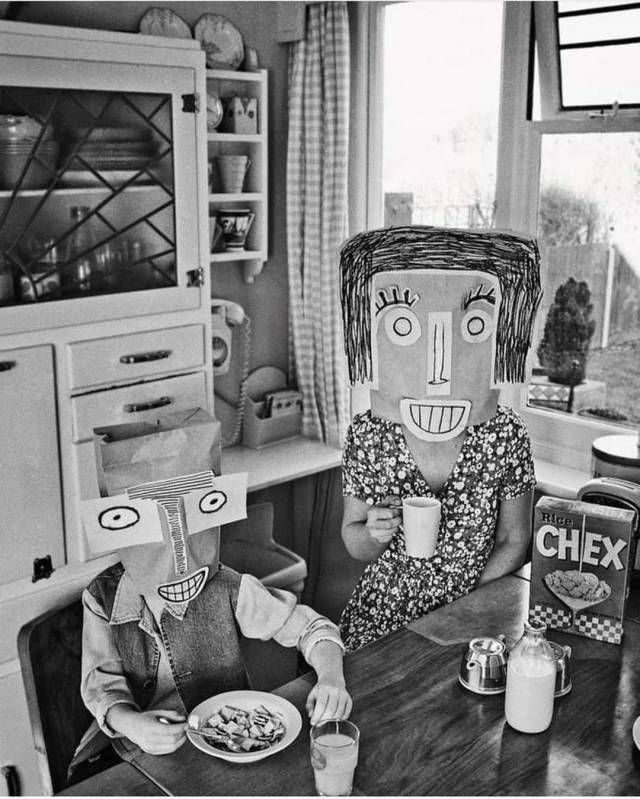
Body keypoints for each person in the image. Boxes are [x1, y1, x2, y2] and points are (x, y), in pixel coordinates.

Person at [338, 225, 542, 651]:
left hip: (474, 616)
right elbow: (353, 540)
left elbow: (513, 539)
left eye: (473, 326)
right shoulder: (368, 433)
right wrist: (372, 532)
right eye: (400, 326)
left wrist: (459, 604)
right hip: (382, 616)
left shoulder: (505, 434)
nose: (438, 372)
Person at [71, 470, 351, 778]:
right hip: (141, 758)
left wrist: (331, 679)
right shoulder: (100, 599)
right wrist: (130, 723)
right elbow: (101, 688)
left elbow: (311, 628)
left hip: (224, 756)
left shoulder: (224, 585)